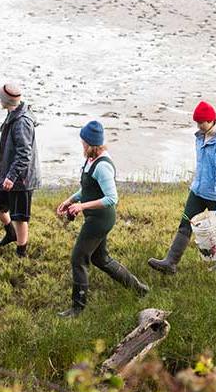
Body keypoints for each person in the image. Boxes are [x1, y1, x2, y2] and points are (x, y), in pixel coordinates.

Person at [55, 121, 148, 317]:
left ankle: (77, 308)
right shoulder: (90, 159)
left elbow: (112, 198)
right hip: (95, 218)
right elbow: (87, 188)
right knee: (100, 258)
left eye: (83, 143)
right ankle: (139, 289)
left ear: (91, 144)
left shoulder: (103, 165)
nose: (81, 146)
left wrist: (82, 206)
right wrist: (71, 199)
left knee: (78, 258)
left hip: (100, 220)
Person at [148, 101, 216, 275]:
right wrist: (195, 185)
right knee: (185, 223)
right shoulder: (200, 137)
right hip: (198, 191)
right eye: (196, 122)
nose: (198, 126)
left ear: (211, 120)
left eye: (201, 122)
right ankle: (170, 263)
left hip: (215, 195)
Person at [0, 83, 41, 257]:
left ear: (6, 101)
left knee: (20, 217)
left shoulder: (22, 122)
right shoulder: (12, 112)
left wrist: (12, 176)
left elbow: (25, 153)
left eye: (0, 98)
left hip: (21, 179)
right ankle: (10, 233)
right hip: (7, 173)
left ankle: (21, 252)